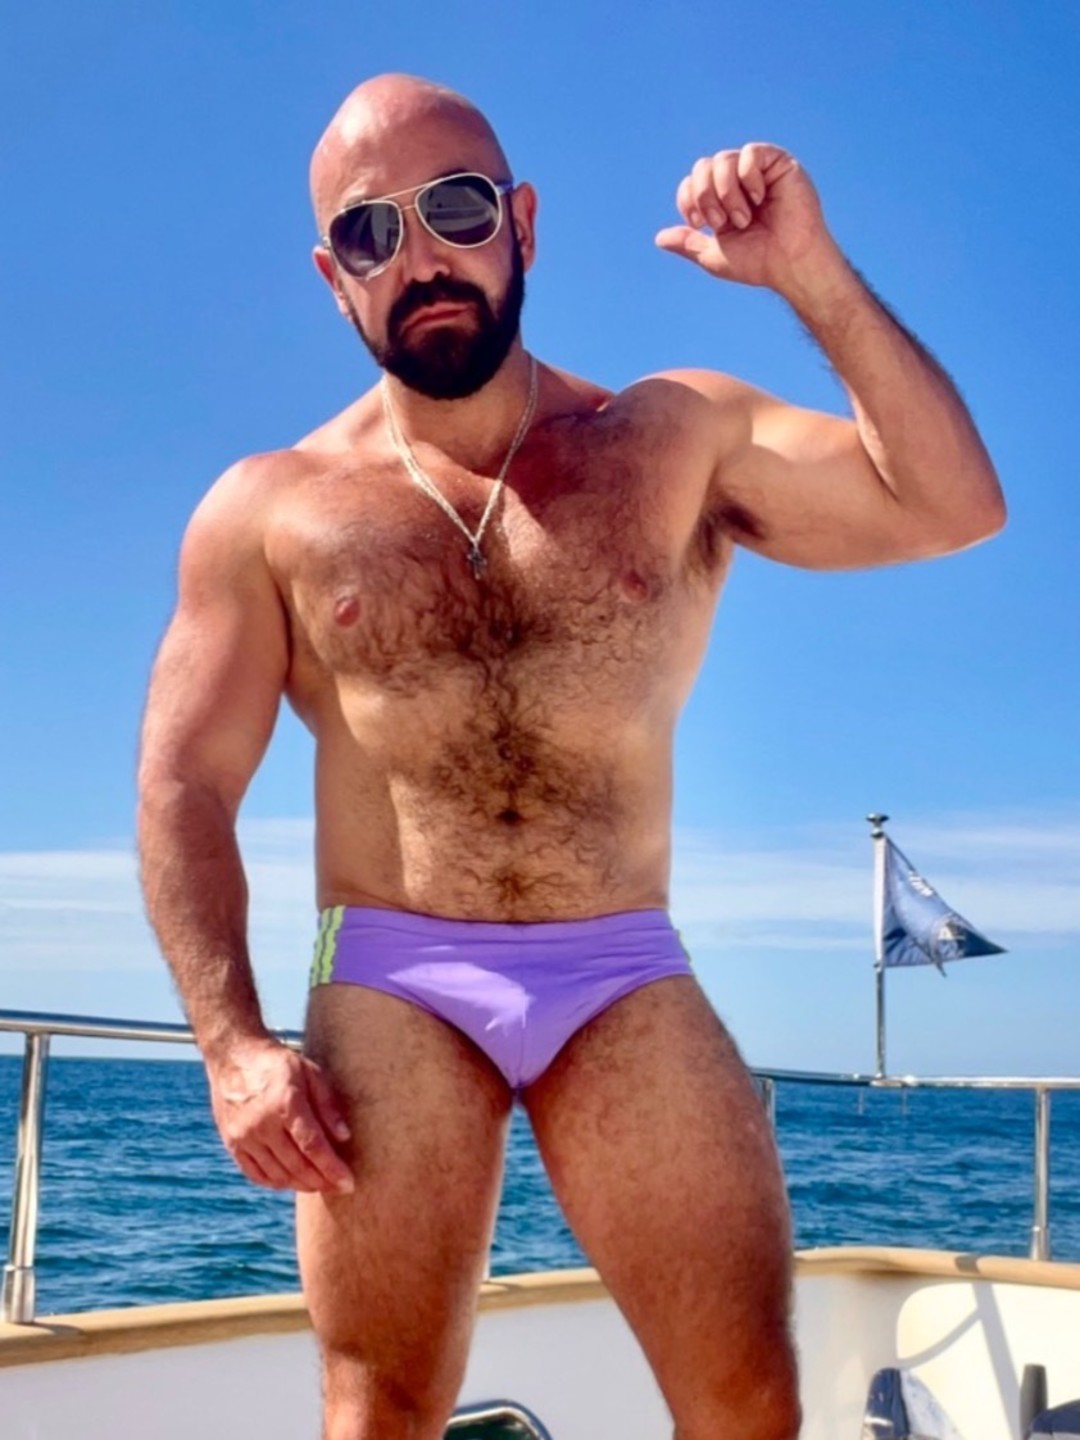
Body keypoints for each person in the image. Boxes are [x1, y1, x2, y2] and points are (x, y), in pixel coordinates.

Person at [137, 71, 1004, 1440]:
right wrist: (233, 1044)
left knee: (748, 1406)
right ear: (332, 275)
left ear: (523, 222)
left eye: (455, 207)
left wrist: (809, 275)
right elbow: (185, 784)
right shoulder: (270, 510)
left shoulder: (669, 439)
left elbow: (953, 504)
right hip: (393, 967)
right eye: (370, 231)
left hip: (622, 963)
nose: (420, 256)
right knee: (380, 1411)